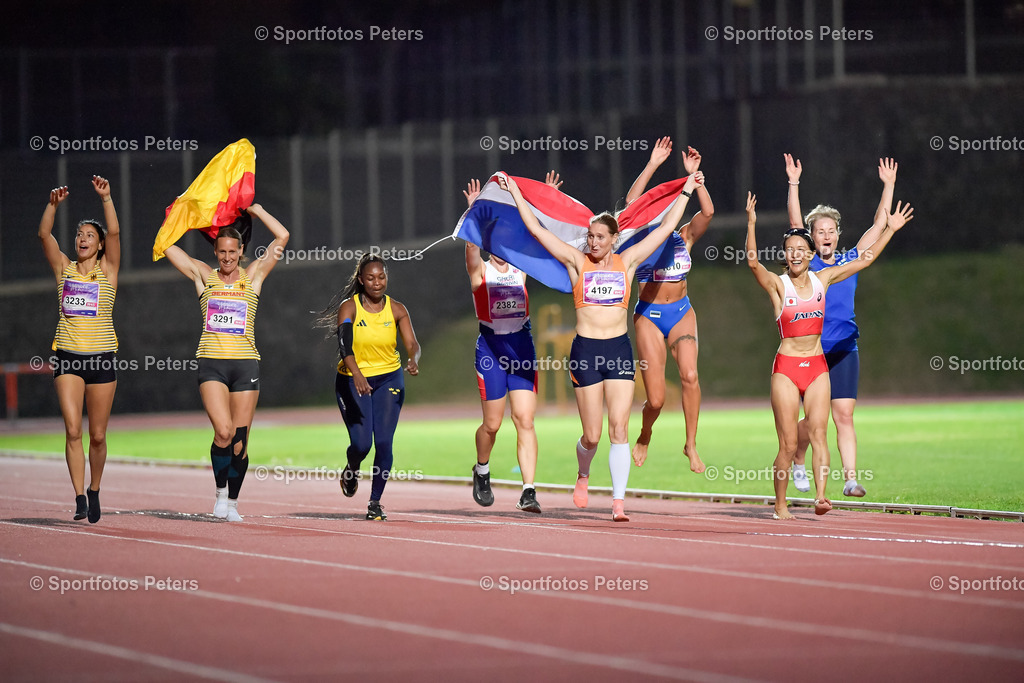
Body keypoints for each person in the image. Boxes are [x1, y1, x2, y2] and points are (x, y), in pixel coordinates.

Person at [499, 169, 701, 521]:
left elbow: (668, 227)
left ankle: (618, 503)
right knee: (592, 436)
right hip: (586, 353)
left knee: (619, 429)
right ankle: (583, 473)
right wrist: (517, 191)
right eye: (590, 237)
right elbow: (537, 230)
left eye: (599, 237)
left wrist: (686, 190)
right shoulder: (577, 263)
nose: (592, 243)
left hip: (619, 351)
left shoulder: (630, 261)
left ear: (613, 239)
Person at [744, 190, 912, 519]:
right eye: (789, 251)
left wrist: (890, 229)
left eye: (800, 251)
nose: (795, 255)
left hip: (818, 366)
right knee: (789, 444)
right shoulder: (779, 285)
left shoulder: (823, 278)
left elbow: (864, 258)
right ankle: (780, 504)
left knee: (820, 432)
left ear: (809, 255)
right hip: (787, 369)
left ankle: (822, 496)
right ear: (786, 256)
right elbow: (752, 262)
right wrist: (751, 223)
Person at [163, 205, 289, 522]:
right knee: (223, 431)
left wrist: (258, 210)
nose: (227, 258)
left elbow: (283, 236)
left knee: (239, 443)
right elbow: (165, 244)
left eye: (232, 252)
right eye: (222, 252)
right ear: (216, 251)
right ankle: (220, 496)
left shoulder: (254, 275)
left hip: (246, 365)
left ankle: (233, 503)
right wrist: (184, 212)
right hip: (212, 366)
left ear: (241, 250)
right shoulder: (204, 276)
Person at [785, 155, 897, 498]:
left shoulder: (850, 260)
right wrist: (793, 183)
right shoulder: (808, 263)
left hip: (845, 346)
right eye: (819, 231)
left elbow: (879, 225)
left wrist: (889, 185)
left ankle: (851, 479)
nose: (826, 235)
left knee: (844, 414)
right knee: (812, 421)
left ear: (838, 234)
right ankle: (799, 458)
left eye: (831, 230)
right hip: (814, 348)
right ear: (812, 238)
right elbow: (794, 222)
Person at [624, 139, 714, 472]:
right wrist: (652, 165)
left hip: (681, 312)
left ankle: (690, 445)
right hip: (649, 316)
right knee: (657, 399)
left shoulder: (684, 237)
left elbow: (708, 213)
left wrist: (696, 178)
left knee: (690, 376)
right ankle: (646, 433)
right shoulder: (639, 240)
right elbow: (632, 203)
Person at [38, 176, 120, 523]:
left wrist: (106, 198)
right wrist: (53, 206)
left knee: (97, 435)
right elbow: (44, 235)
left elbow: (115, 233)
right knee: (73, 429)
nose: (82, 239)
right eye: (79, 235)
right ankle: (78, 497)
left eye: (89, 236)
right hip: (68, 358)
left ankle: (96, 488)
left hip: (102, 359)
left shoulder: (108, 271)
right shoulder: (64, 269)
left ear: (99, 245)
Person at [327, 254, 420, 521]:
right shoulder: (350, 307)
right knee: (361, 444)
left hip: (389, 379)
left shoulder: (398, 309)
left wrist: (413, 359)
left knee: (383, 443)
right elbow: (345, 345)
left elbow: (412, 344)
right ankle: (351, 468)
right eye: (370, 278)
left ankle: (375, 502)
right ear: (361, 280)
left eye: (381, 277)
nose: (377, 282)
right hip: (352, 379)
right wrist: (356, 374)